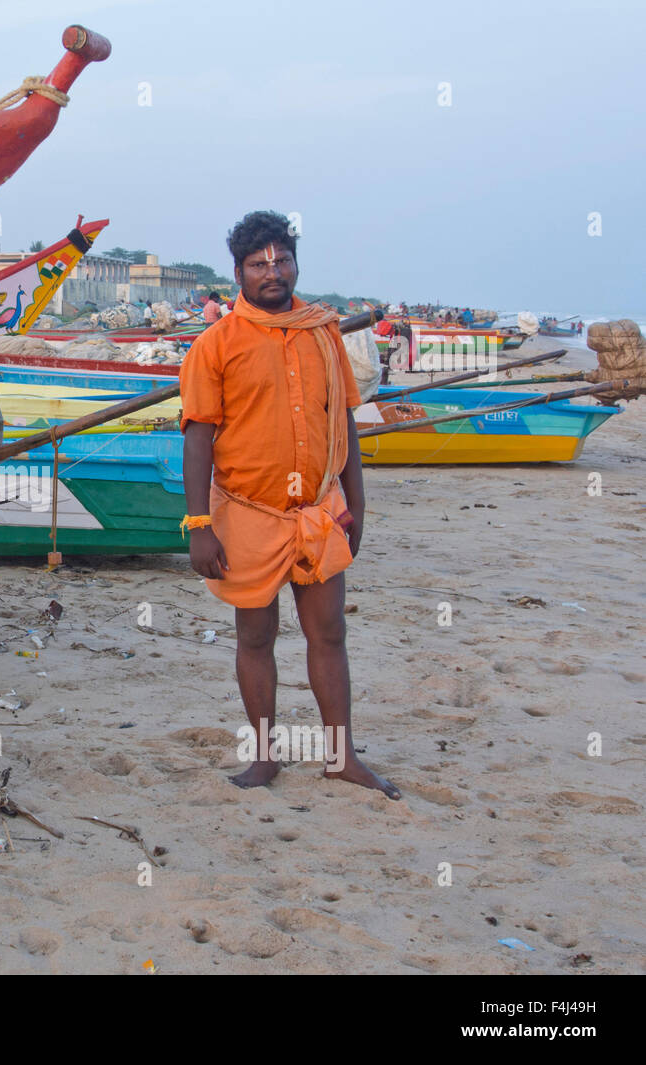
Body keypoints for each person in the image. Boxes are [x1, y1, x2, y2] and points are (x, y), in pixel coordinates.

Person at [178, 210, 399, 799]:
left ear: (296, 263)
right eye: (258, 264)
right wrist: (200, 524)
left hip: (320, 511)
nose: (271, 272)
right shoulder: (216, 344)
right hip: (246, 513)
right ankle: (265, 756)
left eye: (281, 260)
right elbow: (197, 435)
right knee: (255, 637)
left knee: (328, 634)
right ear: (238, 273)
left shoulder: (323, 333)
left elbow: (343, 423)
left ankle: (341, 757)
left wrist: (358, 506)